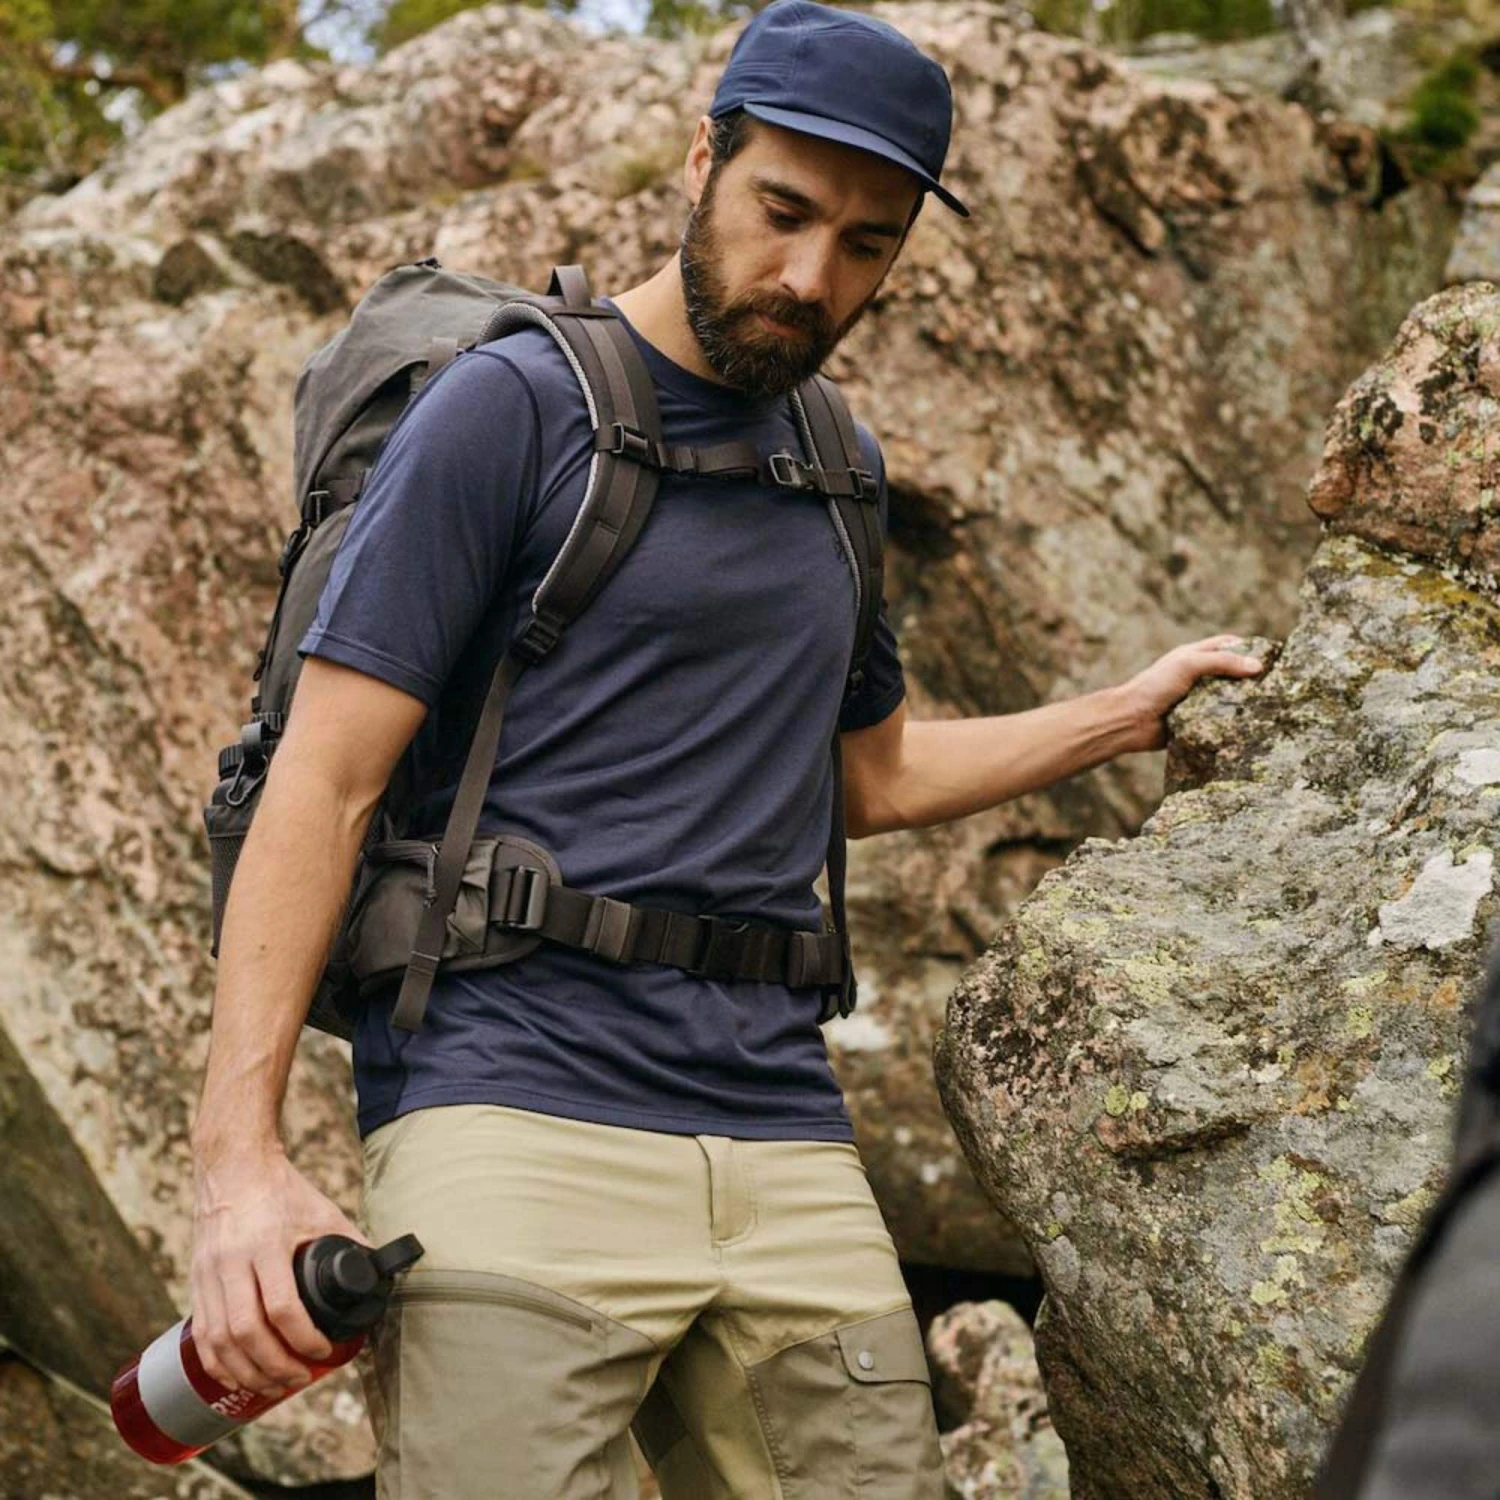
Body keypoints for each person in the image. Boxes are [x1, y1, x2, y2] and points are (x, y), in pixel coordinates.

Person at [187, 2, 1267, 1494]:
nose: (815, 277)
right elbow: (326, 777)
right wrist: (237, 1168)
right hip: (510, 1113)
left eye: (869, 243)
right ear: (703, 159)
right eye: (785, 211)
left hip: (782, 1132)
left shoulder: (837, 465)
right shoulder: (511, 411)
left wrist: (1126, 714)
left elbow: (870, 775)